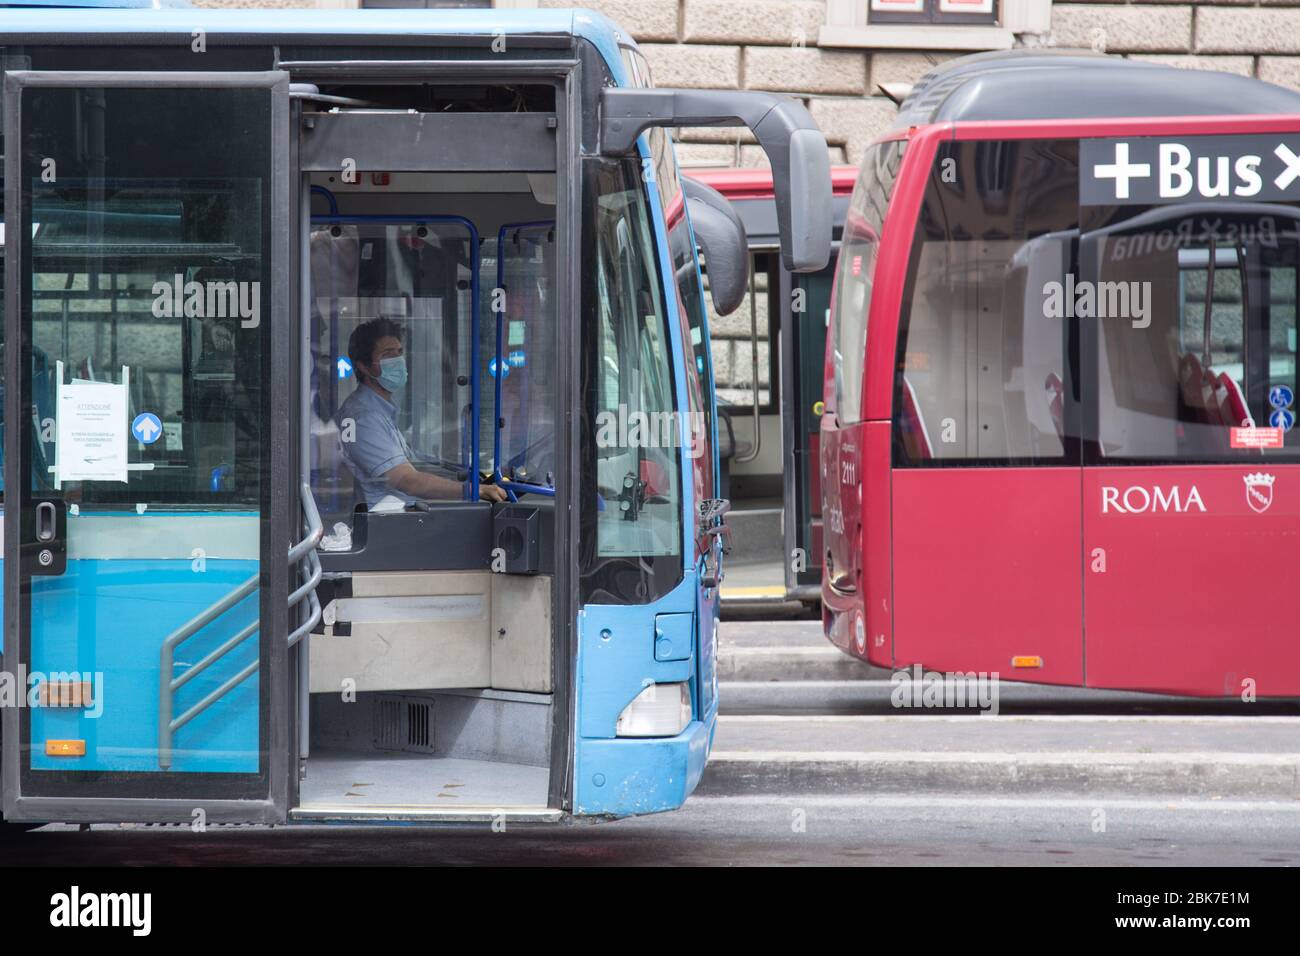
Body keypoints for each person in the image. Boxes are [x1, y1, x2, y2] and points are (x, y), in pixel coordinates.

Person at [336, 317, 507, 507]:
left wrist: (471, 477)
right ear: (364, 366)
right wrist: (472, 491)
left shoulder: (380, 410)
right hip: (388, 524)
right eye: (387, 354)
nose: (397, 360)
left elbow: (413, 464)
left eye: (399, 352)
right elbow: (407, 481)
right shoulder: (364, 418)